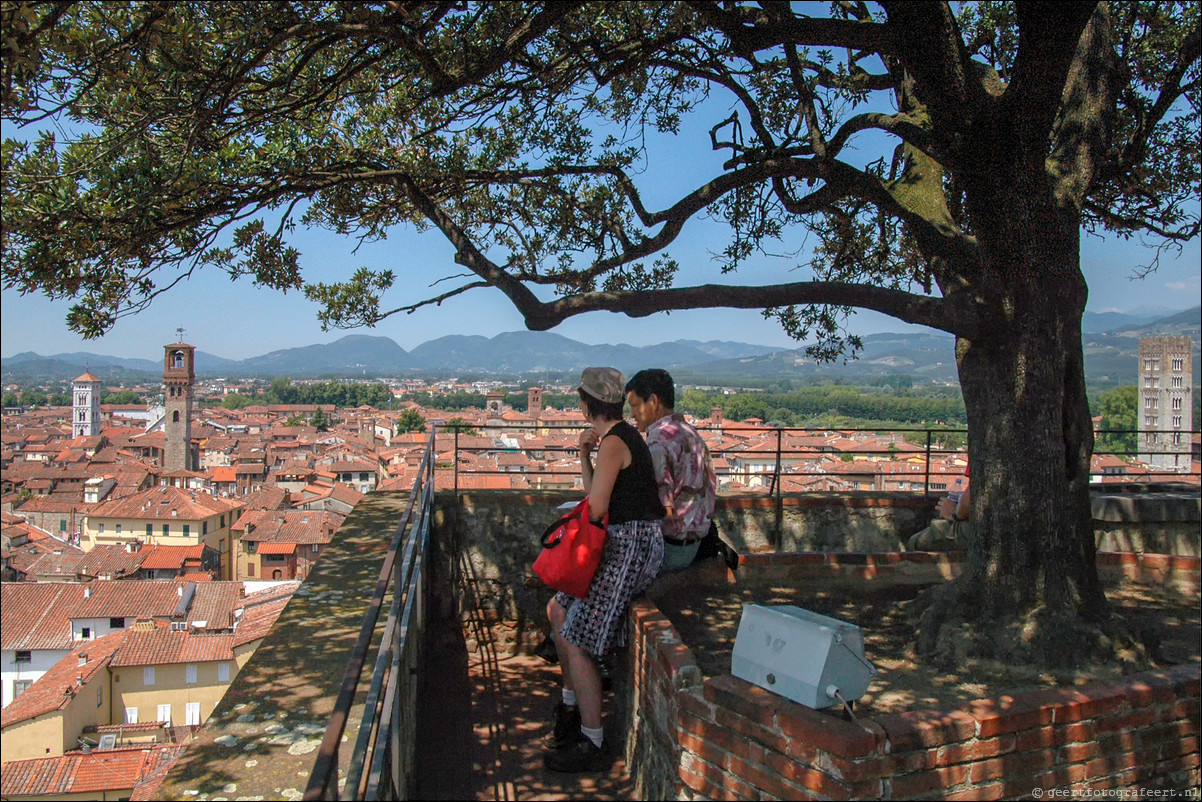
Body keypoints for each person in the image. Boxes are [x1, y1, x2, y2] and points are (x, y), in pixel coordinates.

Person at [544, 367, 665, 773]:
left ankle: (591, 740)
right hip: (624, 543)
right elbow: (597, 496)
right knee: (557, 611)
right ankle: (570, 704)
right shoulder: (618, 438)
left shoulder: (615, 442)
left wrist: (587, 454)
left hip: (630, 548)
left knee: (575, 637)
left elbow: (596, 508)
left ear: (585, 404)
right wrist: (583, 454)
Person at [625, 369, 718, 573]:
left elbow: (661, 509)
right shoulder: (691, 433)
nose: (631, 414)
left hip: (672, 549)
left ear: (653, 402)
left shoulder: (658, 441)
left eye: (634, 406)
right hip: (697, 544)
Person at [907, 469, 972, 551]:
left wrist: (953, 513)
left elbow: (968, 502)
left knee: (914, 541)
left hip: (977, 530)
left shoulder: (980, 458)